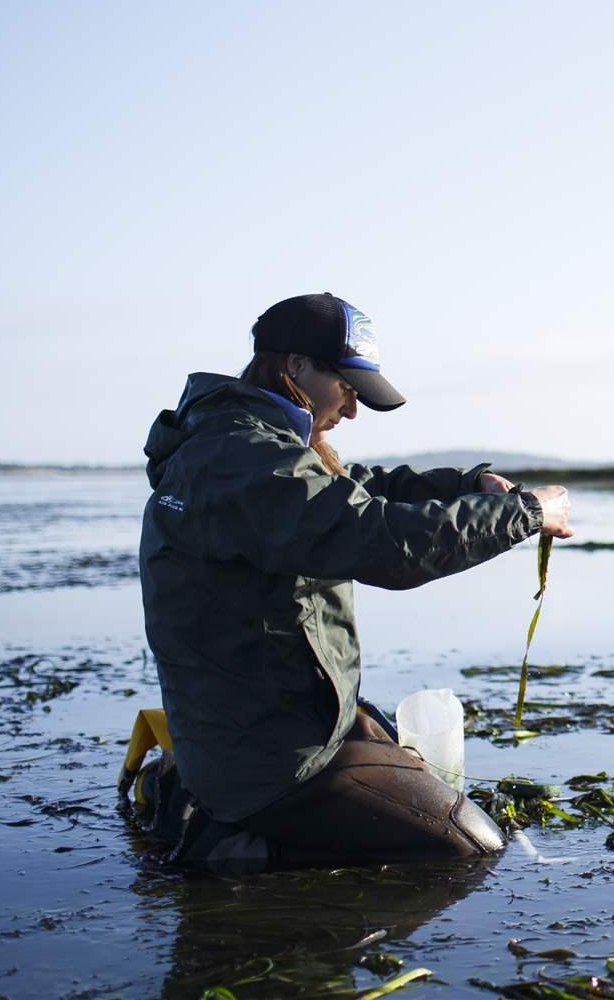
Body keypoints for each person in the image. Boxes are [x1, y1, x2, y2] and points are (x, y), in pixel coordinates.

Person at [138, 291, 573, 865]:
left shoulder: (249, 444)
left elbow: (358, 487)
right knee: (469, 845)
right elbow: (381, 542)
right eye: (346, 386)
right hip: (270, 763)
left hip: (280, 726)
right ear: (294, 366)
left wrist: (467, 485)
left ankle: (211, 794)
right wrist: (524, 514)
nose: (352, 410)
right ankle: (227, 842)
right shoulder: (241, 458)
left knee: (399, 753)